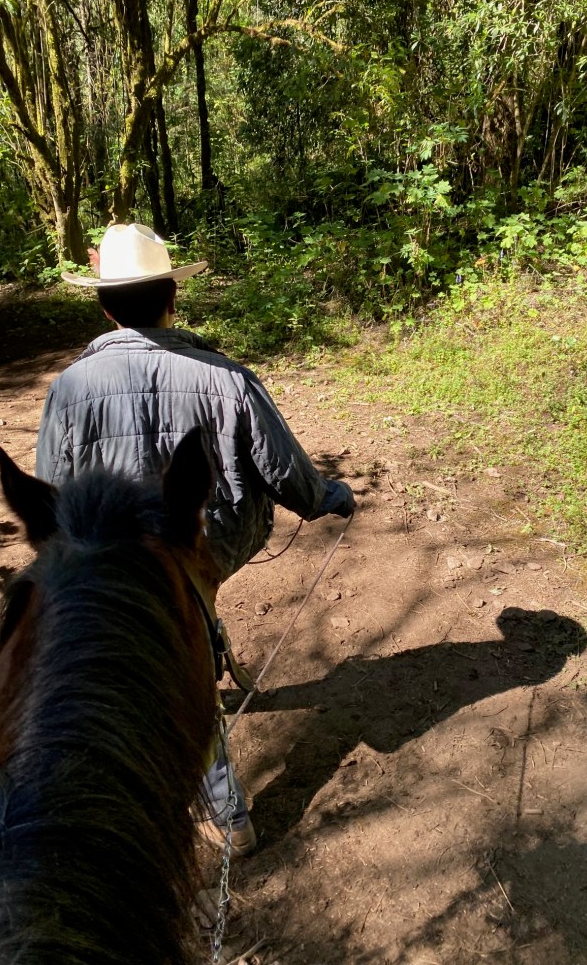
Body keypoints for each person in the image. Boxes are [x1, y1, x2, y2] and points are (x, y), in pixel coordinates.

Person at [35, 222, 355, 856]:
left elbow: (52, 495)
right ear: (171, 298)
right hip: (213, 544)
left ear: (104, 306)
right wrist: (331, 498)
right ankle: (229, 811)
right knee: (179, 630)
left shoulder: (68, 389)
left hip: (116, 554)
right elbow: (286, 472)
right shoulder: (227, 377)